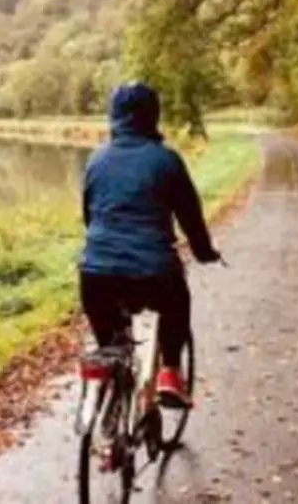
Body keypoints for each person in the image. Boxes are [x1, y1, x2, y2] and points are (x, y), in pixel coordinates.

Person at [79, 81, 221, 408]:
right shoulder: (166, 160)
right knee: (176, 304)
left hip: (95, 273)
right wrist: (204, 252)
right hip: (153, 272)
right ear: (152, 115)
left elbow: (90, 216)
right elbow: (190, 217)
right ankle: (170, 372)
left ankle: (112, 409)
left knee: (110, 348)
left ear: (113, 116)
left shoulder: (95, 160)